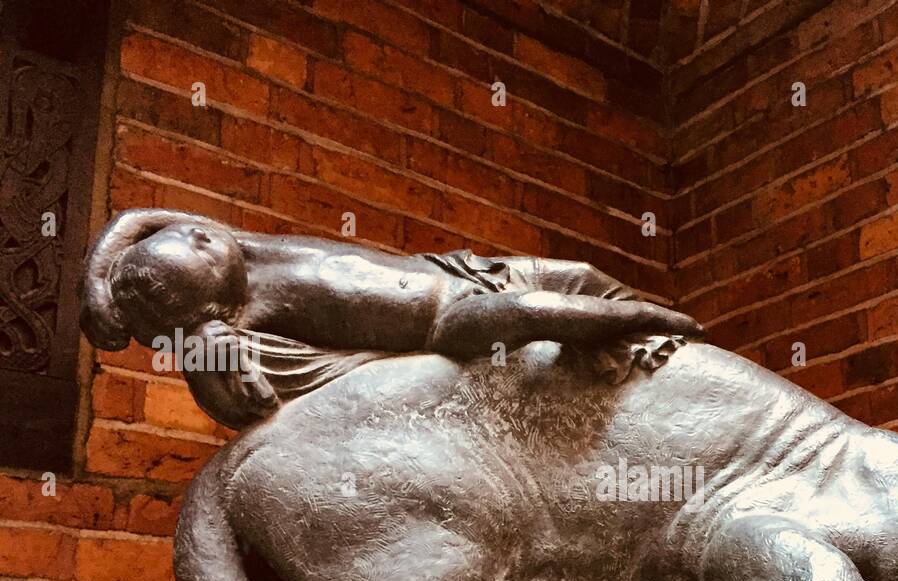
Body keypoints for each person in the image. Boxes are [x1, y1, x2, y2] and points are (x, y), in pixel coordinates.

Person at [80, 209, 701, 429]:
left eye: (193, 233)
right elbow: (228, 396)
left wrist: (98, 293)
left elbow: (138, 214)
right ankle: (643, 323)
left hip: (457, 269)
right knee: (537, 313)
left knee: (579, 273)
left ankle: (636, 327)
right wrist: (204, 342)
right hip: (450, 322)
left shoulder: (240, 244)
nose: (198, 231)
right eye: (197, 248)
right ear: (206, 307)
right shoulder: (236, 319)